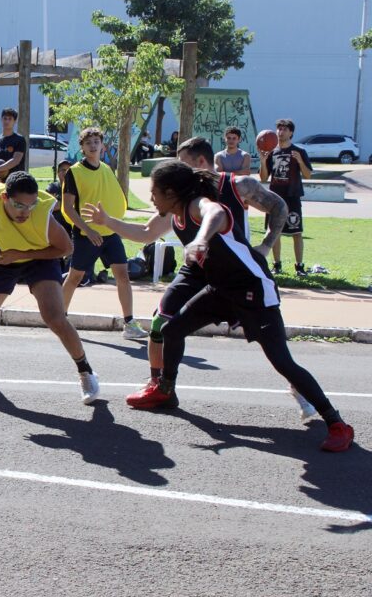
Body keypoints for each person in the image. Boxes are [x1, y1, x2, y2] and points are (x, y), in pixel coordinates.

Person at [123, 160, 353, 453]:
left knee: (282, 361)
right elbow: (147, 231)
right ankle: (165, 392)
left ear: (170, 192)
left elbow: (216, 212)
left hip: (253, 291)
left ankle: (337, 424)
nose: (152, 198)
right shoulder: (176, 214)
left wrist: (202, 240)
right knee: (172, 329)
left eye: (154, 192)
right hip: (220, 289)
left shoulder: (198, 204)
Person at [86, 136, 317, 421]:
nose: (174, 172)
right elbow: (147, 233)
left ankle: (300, 387)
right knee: (162, 320)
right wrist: (108, 221)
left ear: (200, 163)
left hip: (237, 273)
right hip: (197, 268)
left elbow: (279, 206)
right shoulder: (178, 199)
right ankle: (160, 386)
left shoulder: (237, 185)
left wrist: (267, 245)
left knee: (271, 344)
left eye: (180, 164)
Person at [0, 170, 100, 403]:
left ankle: (85, 372)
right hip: (1, 260)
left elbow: (66, 248)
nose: (26, 212)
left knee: (55, 317)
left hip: (39, 260)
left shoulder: (42, 215)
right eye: (19, 206)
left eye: (31, 205)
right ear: (4, 198)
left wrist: (20, 254)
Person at [60, 127, 148, 340]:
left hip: (110, 234)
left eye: (96, 141)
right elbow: (68, 208)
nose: (93, 145)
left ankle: (129, 323)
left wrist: (115, 225)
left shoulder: (107, 169)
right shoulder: (75, 172)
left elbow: (114, 200)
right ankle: (59, 318)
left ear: (102, 145)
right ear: (82, 147)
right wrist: (87, 230)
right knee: (75, 277)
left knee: (122, 275)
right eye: (88, 142)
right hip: (85, 235)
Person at [259, 118, 312, 276]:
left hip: (292, 196)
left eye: (284, 129)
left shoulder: (299, 151)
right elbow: (263, 178)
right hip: (274, 198)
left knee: (296, 232)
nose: (281, 132)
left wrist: (300, 161)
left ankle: (299, 266)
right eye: (279, 129)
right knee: (274, 232)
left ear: (291, 133)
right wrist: (263, 161)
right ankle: (277, 265)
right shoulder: (271, 152)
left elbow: (308, 175)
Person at [0, 108, 26, 180]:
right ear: (1, 119)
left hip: (15, 181)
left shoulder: (20, 140)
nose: (7, 121)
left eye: (10, 119)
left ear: (15, 121)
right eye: (5, 118)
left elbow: (16, 160)